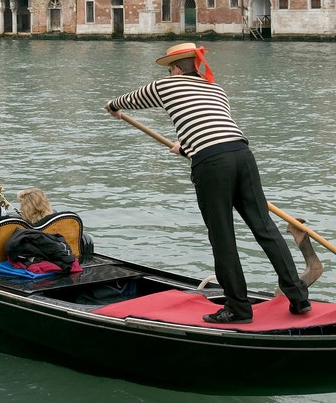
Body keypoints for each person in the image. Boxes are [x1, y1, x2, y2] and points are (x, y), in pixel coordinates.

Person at [105, 42, 310, 324]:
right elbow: (211, 124)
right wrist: (187, 146)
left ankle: (238, 308)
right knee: (265, 227)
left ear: (175, 69)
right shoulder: (216, 89)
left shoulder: (166, 86)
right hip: (241, 154)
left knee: (222, 236)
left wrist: (112, 107)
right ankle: (299, 298)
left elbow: (127, 101)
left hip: (212, 164)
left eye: (169, 70)